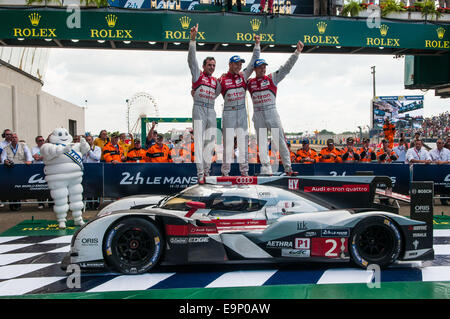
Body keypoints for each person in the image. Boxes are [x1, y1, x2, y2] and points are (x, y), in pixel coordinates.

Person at [247, 40, 303, 176]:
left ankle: (288, 168)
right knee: (261, 142)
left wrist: (297, 53)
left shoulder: (272, 78)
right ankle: (266, 169)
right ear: (254, 69)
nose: (263, 69)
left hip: (272, 112)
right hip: (258, 114)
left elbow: (286, 68)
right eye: (260, 67)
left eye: (264, 66)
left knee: (281, 141)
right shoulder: (249, 82)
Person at [219, 35, 260, 177]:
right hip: (229, 113)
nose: (239, 66)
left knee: (243, 142)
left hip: (242, 112)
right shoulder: (222, 79)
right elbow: (211, 93)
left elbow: (254, 61)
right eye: (236, 64)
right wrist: (195, 91)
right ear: (230, 64)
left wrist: (257, 45)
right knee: (228, 144)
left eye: (240, 64)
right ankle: (225, 172)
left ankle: (245, 172)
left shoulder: (243, 75)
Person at [188, 23, 221, 182]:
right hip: (199, 108)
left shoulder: (216, 81)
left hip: (211, 110)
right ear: (204, 66)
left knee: (210, 143)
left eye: (214, 65)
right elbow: (191, 60)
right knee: (200, 142)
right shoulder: (198, 75)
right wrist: (193, 40)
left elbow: (223, 91)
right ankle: (200, 174)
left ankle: (207, 173)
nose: (212, 67)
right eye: (209, 65)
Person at [1, 133, 33, 211]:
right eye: (12, 137)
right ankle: (12, 205)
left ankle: (18, 205)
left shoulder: (23, 145)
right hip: (10, 169)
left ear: (17, 138)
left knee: (19, 187)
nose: (14, 138)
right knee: (11, 187)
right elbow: (3, 158)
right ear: (10, 139)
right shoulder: (6, 148)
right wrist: (5, 161)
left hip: (21, 170)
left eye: (15, 137)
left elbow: (29, 156)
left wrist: (29, 161)